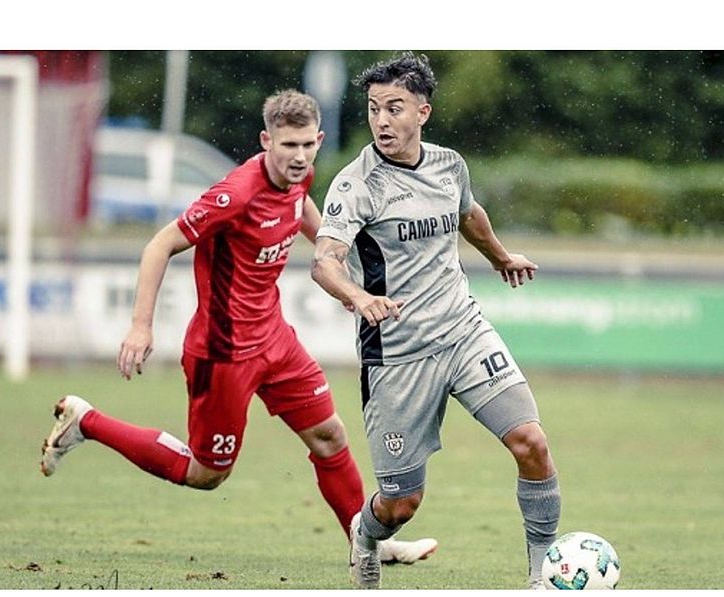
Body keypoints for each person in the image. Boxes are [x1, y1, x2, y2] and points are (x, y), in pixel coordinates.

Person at [40, 90, 437, 569]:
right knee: (206, 473)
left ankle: (369, 544)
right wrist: (140, 327)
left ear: (319, 140)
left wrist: (337, 250)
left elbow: (302, 206)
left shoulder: (301, 173)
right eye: (288, 145)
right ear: (266, 140)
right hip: (222, 354)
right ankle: (87, 422)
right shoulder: (235, 195)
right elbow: (159, 245)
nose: (300, 156)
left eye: (308, 145)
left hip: (275, 340)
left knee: (330, 436)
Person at [310, 52, 560, 590]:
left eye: (394, 107)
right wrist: (357, 296)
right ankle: (365, 531)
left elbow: (469, 214)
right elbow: (324, 260)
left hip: (462, 329)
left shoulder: (449, 164)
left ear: (423, 111)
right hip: (397, 355)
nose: (381, 120)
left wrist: (499, 257)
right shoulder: (357, 186)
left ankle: (544, 576)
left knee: (531, 443)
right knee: (401, 504)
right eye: (374, 108)